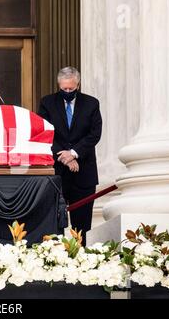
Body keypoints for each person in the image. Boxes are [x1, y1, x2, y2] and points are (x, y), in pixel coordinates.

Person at [38, 66, 102, 246]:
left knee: (82, 225)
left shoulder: (91, 104)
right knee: (52, 223)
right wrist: (64, 157)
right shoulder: (47, 103)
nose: (67, 92)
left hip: (84, 172)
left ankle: (80, 259)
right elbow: (44, 132)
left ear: (78, 85)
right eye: (64, 89)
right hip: (56, 172)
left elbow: (94, 134)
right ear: (59, 85)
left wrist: (73, 154)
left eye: (71, 89)